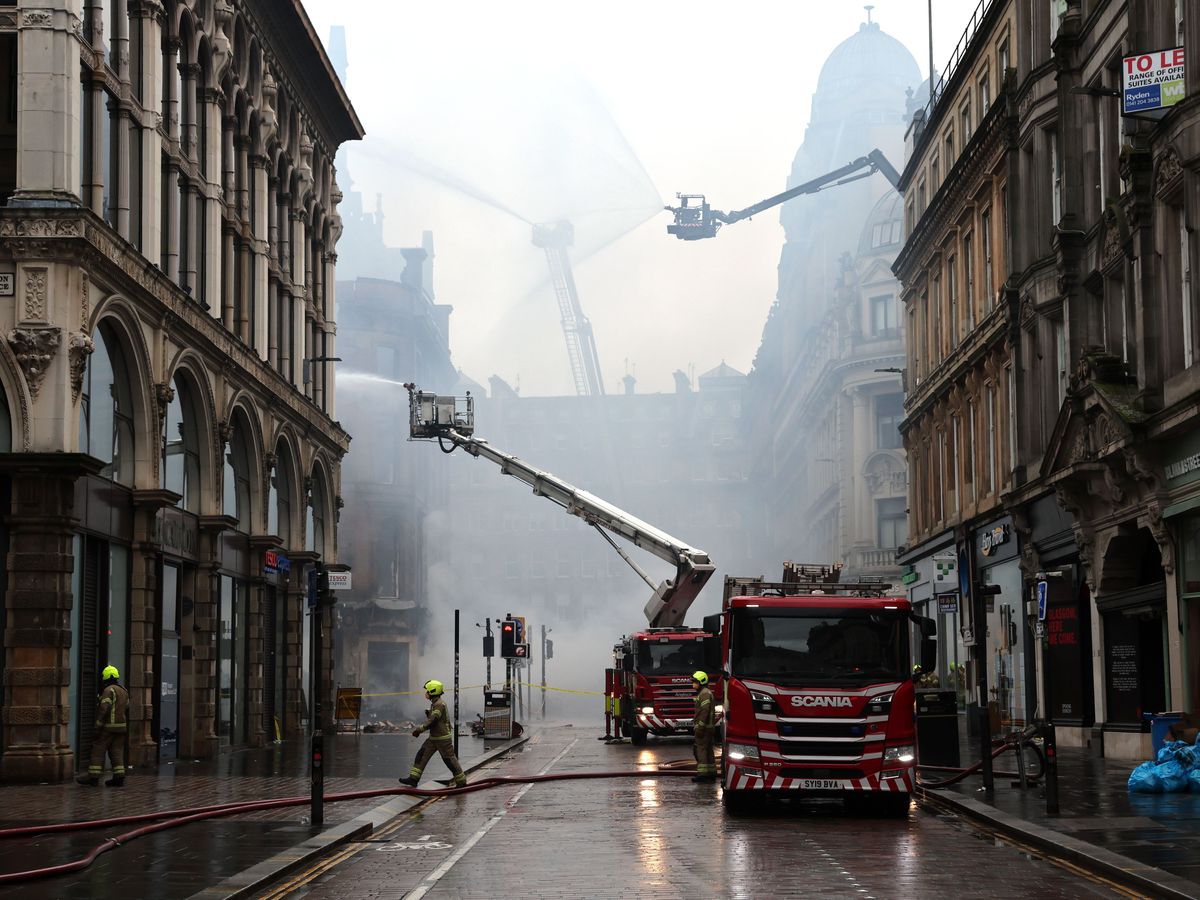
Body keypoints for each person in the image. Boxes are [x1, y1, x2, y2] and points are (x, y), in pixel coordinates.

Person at [399, 679, 467, 788]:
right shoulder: (435, 704)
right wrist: (429, 713)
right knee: (421, 755)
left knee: (449, 760)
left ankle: (461, 782)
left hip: (443, 739)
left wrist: (419, 730)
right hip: (434, 738)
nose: (426, 693)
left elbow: (433, 720)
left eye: (428, 691)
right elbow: (435, 719)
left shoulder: (439, 704)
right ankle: (413, 779)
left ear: (433, 691)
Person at [77, 665, 129, 787]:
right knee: (116, 751)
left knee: (97, 750)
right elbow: (126, 707)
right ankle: (119, 777)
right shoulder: (124, 690)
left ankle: (93, 777)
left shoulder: (108, 690)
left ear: (106, 677)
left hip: (108, 727)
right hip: (121, 727)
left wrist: (98, 726)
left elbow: (103, 709)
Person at [692, 670, 717, 783]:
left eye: (695, 682)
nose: (693, 684)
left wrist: (700, 727)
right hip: (709, 728)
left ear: (701, 682)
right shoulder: (706, 692)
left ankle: (702, 775)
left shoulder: (704, 694)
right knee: (708, 750)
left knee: (701, 750)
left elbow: (704, 712)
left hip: (704, 728)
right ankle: (711, 773)